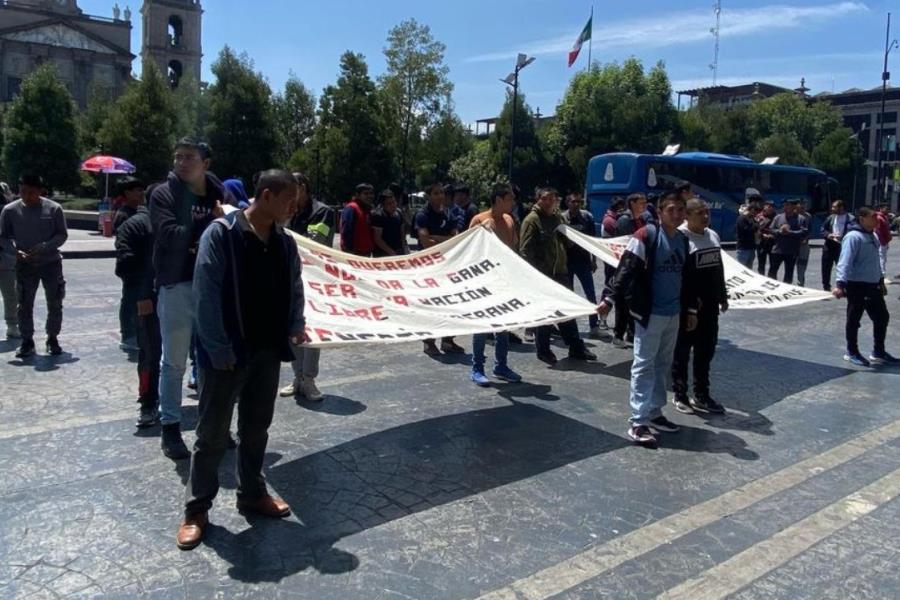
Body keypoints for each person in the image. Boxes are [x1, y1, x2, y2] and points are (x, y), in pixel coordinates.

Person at [177, 169, 303, 551]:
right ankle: (196, 510)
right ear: (265, 196)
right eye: (288, 200)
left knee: (256, 429)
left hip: (267, 352)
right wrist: (217, 349)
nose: (293, 207)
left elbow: (295, 285)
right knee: (212, 436)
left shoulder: (284, 242)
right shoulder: (222, 235)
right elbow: (206, 295)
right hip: (228, 356)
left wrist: (295, 323)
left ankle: (252, 493)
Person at [598, 192, 698, 446]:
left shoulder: (684, 242)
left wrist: (690, 311)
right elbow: (626, 268)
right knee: (643, 365)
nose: (676, 214)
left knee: (663, 364)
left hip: (673, 314)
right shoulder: (646, 236)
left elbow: (687, 281)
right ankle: (638, 421)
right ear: (660, 212)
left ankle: (654, 412)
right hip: (650, 314)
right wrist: (609, 299)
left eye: (680, 210)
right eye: (671, 210)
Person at [150, 138, 227, 460]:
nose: (182, 163)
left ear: (205, 163)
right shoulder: (162, 194)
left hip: (212, 286)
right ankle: (170, 427)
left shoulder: (218, 191)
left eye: (189, 157)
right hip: (177, 285)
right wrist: (210, 223)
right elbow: (168, 235)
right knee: (174, 361)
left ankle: (216, 427)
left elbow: (233, 226)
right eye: (178, 157)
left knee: (215, 360)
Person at [520, 187, 597, 365]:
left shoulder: (557, 218)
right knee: (547, 314)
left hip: (561, 272)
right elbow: (525, 251)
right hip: (543, 275)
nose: (549, 202)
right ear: (538, 199)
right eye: (545, 199)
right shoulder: (532, 220)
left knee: (566, 311)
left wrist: (565, 235)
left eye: (553, 199)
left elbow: (568, 242)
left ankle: (576, 347)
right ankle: (544, 350)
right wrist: (533, 275)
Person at [280, 172, 335, 402]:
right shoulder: (285, 211)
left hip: (314, 280)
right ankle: (297, 377)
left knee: (312, 330)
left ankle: (309, 378)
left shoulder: (322, 211)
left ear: (304, 187)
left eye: (295, 187)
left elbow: (316, 244)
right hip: (290, 277)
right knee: (293, 328)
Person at [0, 174, 68, 358]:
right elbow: (4, 237)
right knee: (24, 304)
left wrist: (45, 246)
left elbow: (62, 235)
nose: (27, 196)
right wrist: (14, 251)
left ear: (40, 191)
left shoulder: (54, 209)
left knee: (54, 302)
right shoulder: (10, 210)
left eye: (31, 192)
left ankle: (52, 338)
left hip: (50, 263)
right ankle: (27, 341)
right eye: (22, 191)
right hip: (24, 264)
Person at [671, 199, 728, 415]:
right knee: (683, 351)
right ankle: (680, 394)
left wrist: (722, 295)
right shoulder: (681, 238)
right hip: (688, 307)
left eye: (707, 212)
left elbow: (718, 268)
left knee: (706, 350)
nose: (705, 217)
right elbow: (683, 278)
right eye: (700, 213)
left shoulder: (712, 236)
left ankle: (702, 395)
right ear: (687, 215)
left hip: (710, 306)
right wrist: (691, 308)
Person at [115, 186, 162, 427]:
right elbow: (127, 263)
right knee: (152, 353)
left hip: (160, 299)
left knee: (152, 353)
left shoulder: (170, 224)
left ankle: (150, 401)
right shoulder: (138, 225)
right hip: (153, 301)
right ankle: (148, 402)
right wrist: (143, 294)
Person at [468, 183, 523, 386]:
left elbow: (513, 249)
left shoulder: (509, 220)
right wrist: (482, 233)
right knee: (482, 327)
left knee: (503, 326)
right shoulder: (479, 220)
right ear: (498, 199)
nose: (513, 202)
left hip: (504, 282)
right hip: (483, 283)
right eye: (510, 198)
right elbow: (468, 251)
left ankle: (501, 365)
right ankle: (477, 368)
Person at [832, 206, 898, 367]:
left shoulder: (873, 236)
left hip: (873, 285)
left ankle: (878, 352)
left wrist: (880, 282)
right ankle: (851, 352)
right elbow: (844, 262)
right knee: (854, 319)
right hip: (857, 285)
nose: (877, 220)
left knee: (882, 317)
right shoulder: (853, 237)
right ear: (862, 219)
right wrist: (840, 284)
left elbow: (876, 262)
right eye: (873, 217)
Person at [415, 182, 464, 356]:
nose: (440, 196)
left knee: (449, 303)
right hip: (429, 267)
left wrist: (437, 238)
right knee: (431, 305)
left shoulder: (449, 214)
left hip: (447, 266)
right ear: (428, 196)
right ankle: (429, 342)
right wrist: (443, 240)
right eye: (435, 193)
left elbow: (455, 239)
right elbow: (425, 242)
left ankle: (448, 340)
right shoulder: (422, 215)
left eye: (441, 193)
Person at [611, 193, 647, 348]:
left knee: (633, 300)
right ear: (632, 203)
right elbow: (624, 244)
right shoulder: (625, 220)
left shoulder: (641, 219)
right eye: (641, 202)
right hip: (626, 265)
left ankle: (631, 334)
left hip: (636, 267)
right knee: (622, 301)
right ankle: (618, 335)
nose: (644, 205)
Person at [562, 193, 601, 336]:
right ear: (567, 203)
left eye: (578, 201)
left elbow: (593, 241)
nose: (576, 204)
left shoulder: (586, 218)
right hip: (567, 262)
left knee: (590, 294)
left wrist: (594, 260)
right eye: (573, 201)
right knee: (568, 295)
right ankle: (569, 328)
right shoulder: (562, 218)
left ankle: (594, 325)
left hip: (584, 261)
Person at [767, 200, 807, 284]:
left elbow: (803, 232)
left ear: (793, 207)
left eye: (787, 205)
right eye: (784, 205)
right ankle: (772, 287)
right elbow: (771, 229)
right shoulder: (778, 217)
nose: (785, 207)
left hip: (791, 250)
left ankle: (786, 289)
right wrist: (779, 231)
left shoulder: (800, 218)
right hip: (777, 249)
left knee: (789, 272)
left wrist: (790, 232)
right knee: (773, 270)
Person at [821, 200, 853, 291]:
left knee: (843, 267)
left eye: (834, 207)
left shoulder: (850, 218)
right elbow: (823, 229)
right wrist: (828, 235)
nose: (832, 209)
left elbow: (853, 230)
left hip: (842, 246)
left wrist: (843, 237)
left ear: (841, 207)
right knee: (826, 267)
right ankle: (826, 287)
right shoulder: (831, 217)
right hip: (829, 245)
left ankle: (843, 287)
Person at [340, 183, 375, 256]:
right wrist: (349, 251)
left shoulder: (366, 209)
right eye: (366, 194)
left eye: (371, 193)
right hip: (354, 254)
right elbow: (346, 230)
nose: (369, 196)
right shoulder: (351, 208)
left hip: (366, 252)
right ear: (357, 195)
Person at [372, 189, 409, 257]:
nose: (393, 205)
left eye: (394, 202)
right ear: (383, 205)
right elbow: (377, 239)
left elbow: (402, 233)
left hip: (399, 250)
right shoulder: (378, 216)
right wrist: (392, 253)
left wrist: (405, 248)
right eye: (389, 203)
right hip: (383, 253)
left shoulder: (399, 212)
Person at [735, 203, 759, 269]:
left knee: (749, 270)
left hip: (751, 248)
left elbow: (756, 228)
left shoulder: (752, 219)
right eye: (755, 212)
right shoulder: (742, 219)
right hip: (743, 249)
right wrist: (755, 225)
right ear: (751, 210)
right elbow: (747, 230)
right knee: (741, 270)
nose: (755, 214)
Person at [756, 201, 776, 275]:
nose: (770, 208)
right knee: (761, 264)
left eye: (772, 207)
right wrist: (762, 235)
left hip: (772, 243)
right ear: (765, 207)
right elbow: (755, 229)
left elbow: (778, 229)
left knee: (773, 264)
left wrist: (772, 235)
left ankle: (772, 278)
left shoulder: (776, 217)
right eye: (768, 206)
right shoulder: (759, 217)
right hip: (761, 243)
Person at [795, 201, 812, 286]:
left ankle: (800, 281)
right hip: (793, 243)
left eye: (803, 208)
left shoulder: (808, 216)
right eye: (799, 208)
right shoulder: (793, 215)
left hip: (804, 244)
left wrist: (806, 239)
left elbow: (809, 230)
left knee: (802, 264)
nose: (802, 209)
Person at [875, 203, 891, 275]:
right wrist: (883, 241)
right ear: (881, 208)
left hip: (885, 241)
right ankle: (882, 275)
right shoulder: (879, 217)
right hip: (881, 241)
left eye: (888, 208)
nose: (888, 210)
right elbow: (878, 231)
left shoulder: (884, 217)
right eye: (886, 208)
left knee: (883, 258)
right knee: (882, 258)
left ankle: (881, 274)